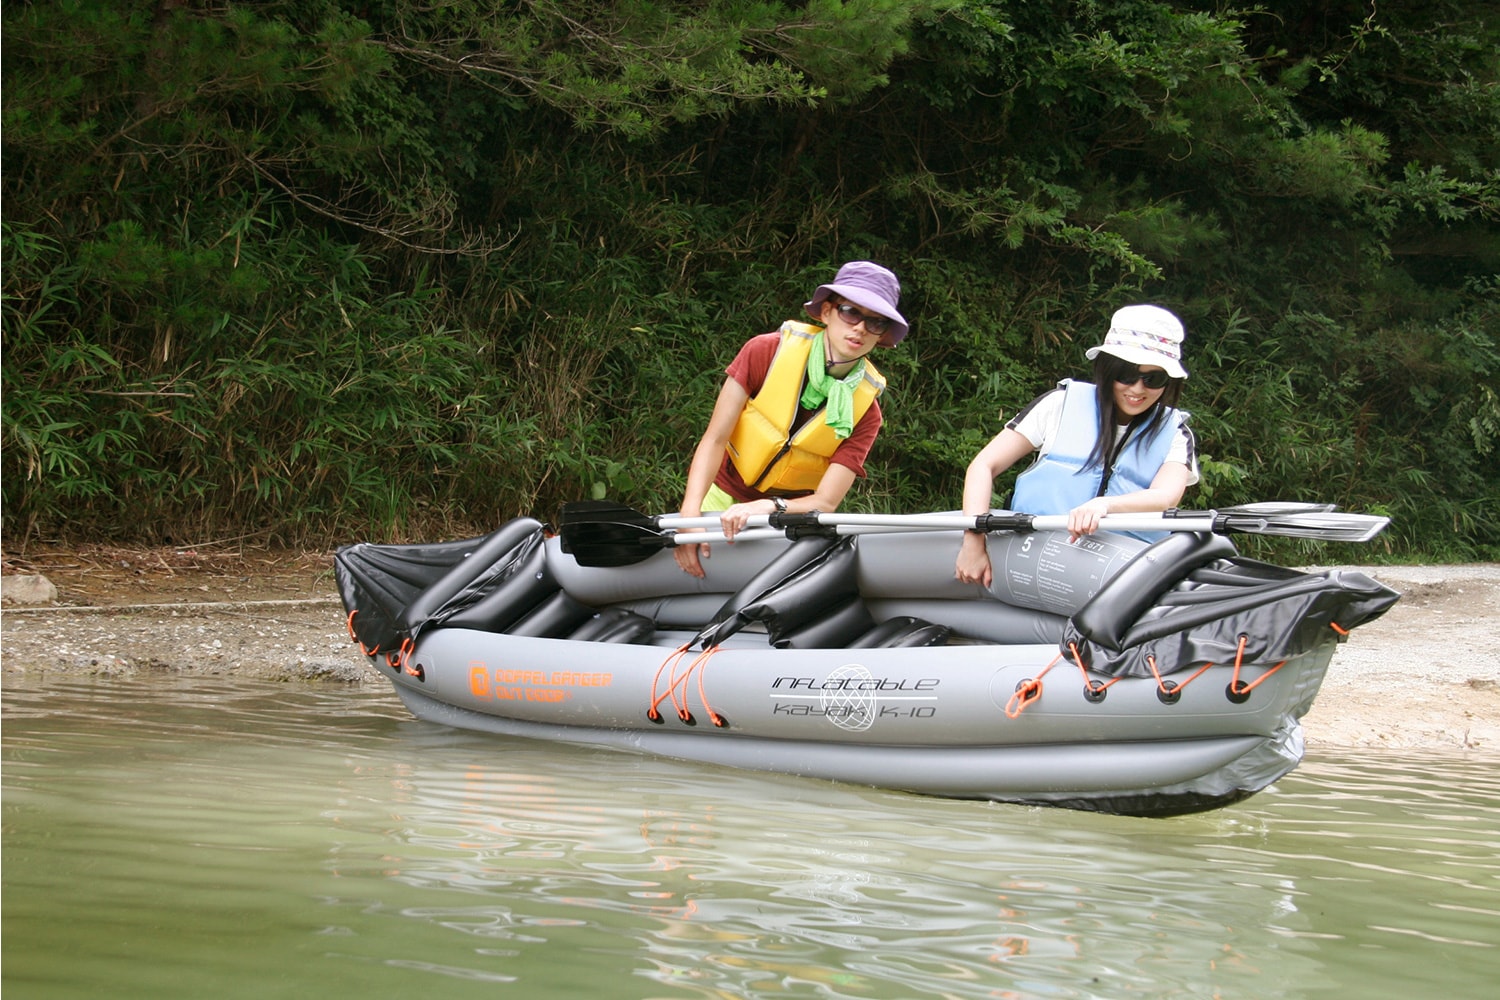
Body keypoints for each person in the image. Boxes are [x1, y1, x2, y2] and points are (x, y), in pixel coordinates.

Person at [674, 261, 909, 578]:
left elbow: (825, 502)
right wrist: (689, 517)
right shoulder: (764, 351)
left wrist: (769, 507)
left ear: (882, 335)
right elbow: (714, 440)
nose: (860, 328)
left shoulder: (867, 411)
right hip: (722, 494)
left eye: (876, 322)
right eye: (851, 311)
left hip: (785, 520)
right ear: (827, 311)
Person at [955, 304, 1199, 587]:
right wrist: (974, 540)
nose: (1137, 389)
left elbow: (1166, 496)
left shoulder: (1176, 432)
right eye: (1126, 374)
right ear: (1108, 369)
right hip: (1031, 549)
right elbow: (984, 465)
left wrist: (1105, 505)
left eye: (1153, 379)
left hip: (1121, 569)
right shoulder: (1058, 404)